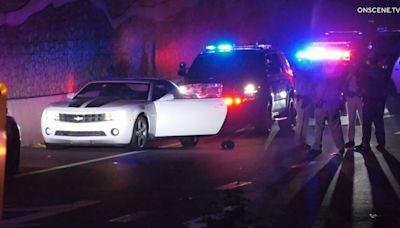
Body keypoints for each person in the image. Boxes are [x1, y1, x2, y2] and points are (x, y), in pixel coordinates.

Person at [355, 53, 392, 152]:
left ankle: (365, 144)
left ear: (369, 61)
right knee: (379, 123)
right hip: (379, 101)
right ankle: (381, 144)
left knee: (367, 124)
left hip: (369, 100)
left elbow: (361, 86)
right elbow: (388, 86)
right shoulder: (383, 72)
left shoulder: (366, 73)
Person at [309, 62, 345, 155]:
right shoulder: (336, 77)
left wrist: (317, 100)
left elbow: (318, 90)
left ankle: (317, 146)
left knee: (319, 126)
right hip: (333, 104)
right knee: (336, 126)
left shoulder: (321, 77)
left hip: (322, 105)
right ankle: (341, 147)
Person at [294, 62, 315, 149]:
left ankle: (302, 141)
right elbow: (300, 89)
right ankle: (298, 142)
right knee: (300, 122)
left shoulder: (307, 77)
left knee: (305, 122)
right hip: (302, 99)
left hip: (306, 99)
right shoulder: (301, 76)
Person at [344, 61, 363, 148]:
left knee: (363, 119)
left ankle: (365, 140)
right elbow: (343, 85)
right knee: (351, 119)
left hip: (360, 98)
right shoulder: (347, 73)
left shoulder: (361, 73)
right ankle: (351, 140)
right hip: (351, 98)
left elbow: (364, 85)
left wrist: (360, 92)